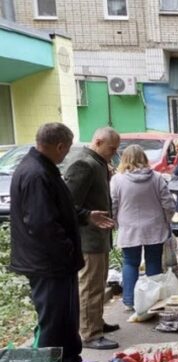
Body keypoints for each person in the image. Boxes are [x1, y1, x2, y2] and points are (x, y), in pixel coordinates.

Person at [10, 123, 115, 362]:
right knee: (54, 322)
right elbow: (43, 223)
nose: (67, 154)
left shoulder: (42, 169)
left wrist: (86, 215)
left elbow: (60, 208)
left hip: (52, 261)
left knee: (65, 318)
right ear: (59, 146)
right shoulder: (36, 173)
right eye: (66, 149)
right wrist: (67, 249)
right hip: (48, 263)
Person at [63, 127, 120, 350]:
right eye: (111, 148)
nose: (114, 153)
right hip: (88, 238)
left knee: (98, 283)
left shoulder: (97, 162)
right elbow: (68, 204)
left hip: (99, 235)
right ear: (97, 141)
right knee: (90, 286)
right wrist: (88, 217)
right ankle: (89, 333)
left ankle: (96, 322)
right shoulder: (83, 164)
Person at [111, 145, 175, 312]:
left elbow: (113, 204)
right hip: (154, 227)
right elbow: (167, 202)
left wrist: (115, 222)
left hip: (129, 228)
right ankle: (151, 300)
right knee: (153, 261)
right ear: (144, 158)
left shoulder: (117, 180)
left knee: (130, 263)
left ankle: (130, 300)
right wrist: (167, 219)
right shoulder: (156, 177)